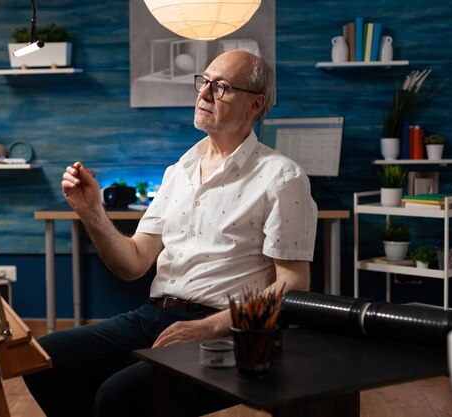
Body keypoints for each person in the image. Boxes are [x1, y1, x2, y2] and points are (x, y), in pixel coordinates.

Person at [24, 49, 317, 417]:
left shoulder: (282, 176)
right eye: (204, 81)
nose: (205, 93)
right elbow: (133, 263)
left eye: (222, 87)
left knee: (116, 399)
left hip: (228, 332)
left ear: (255, 105)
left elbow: (293, 284)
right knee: (41, 360)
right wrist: (91, 211)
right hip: (154, 316)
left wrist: (207, 328)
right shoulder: (178, 171)